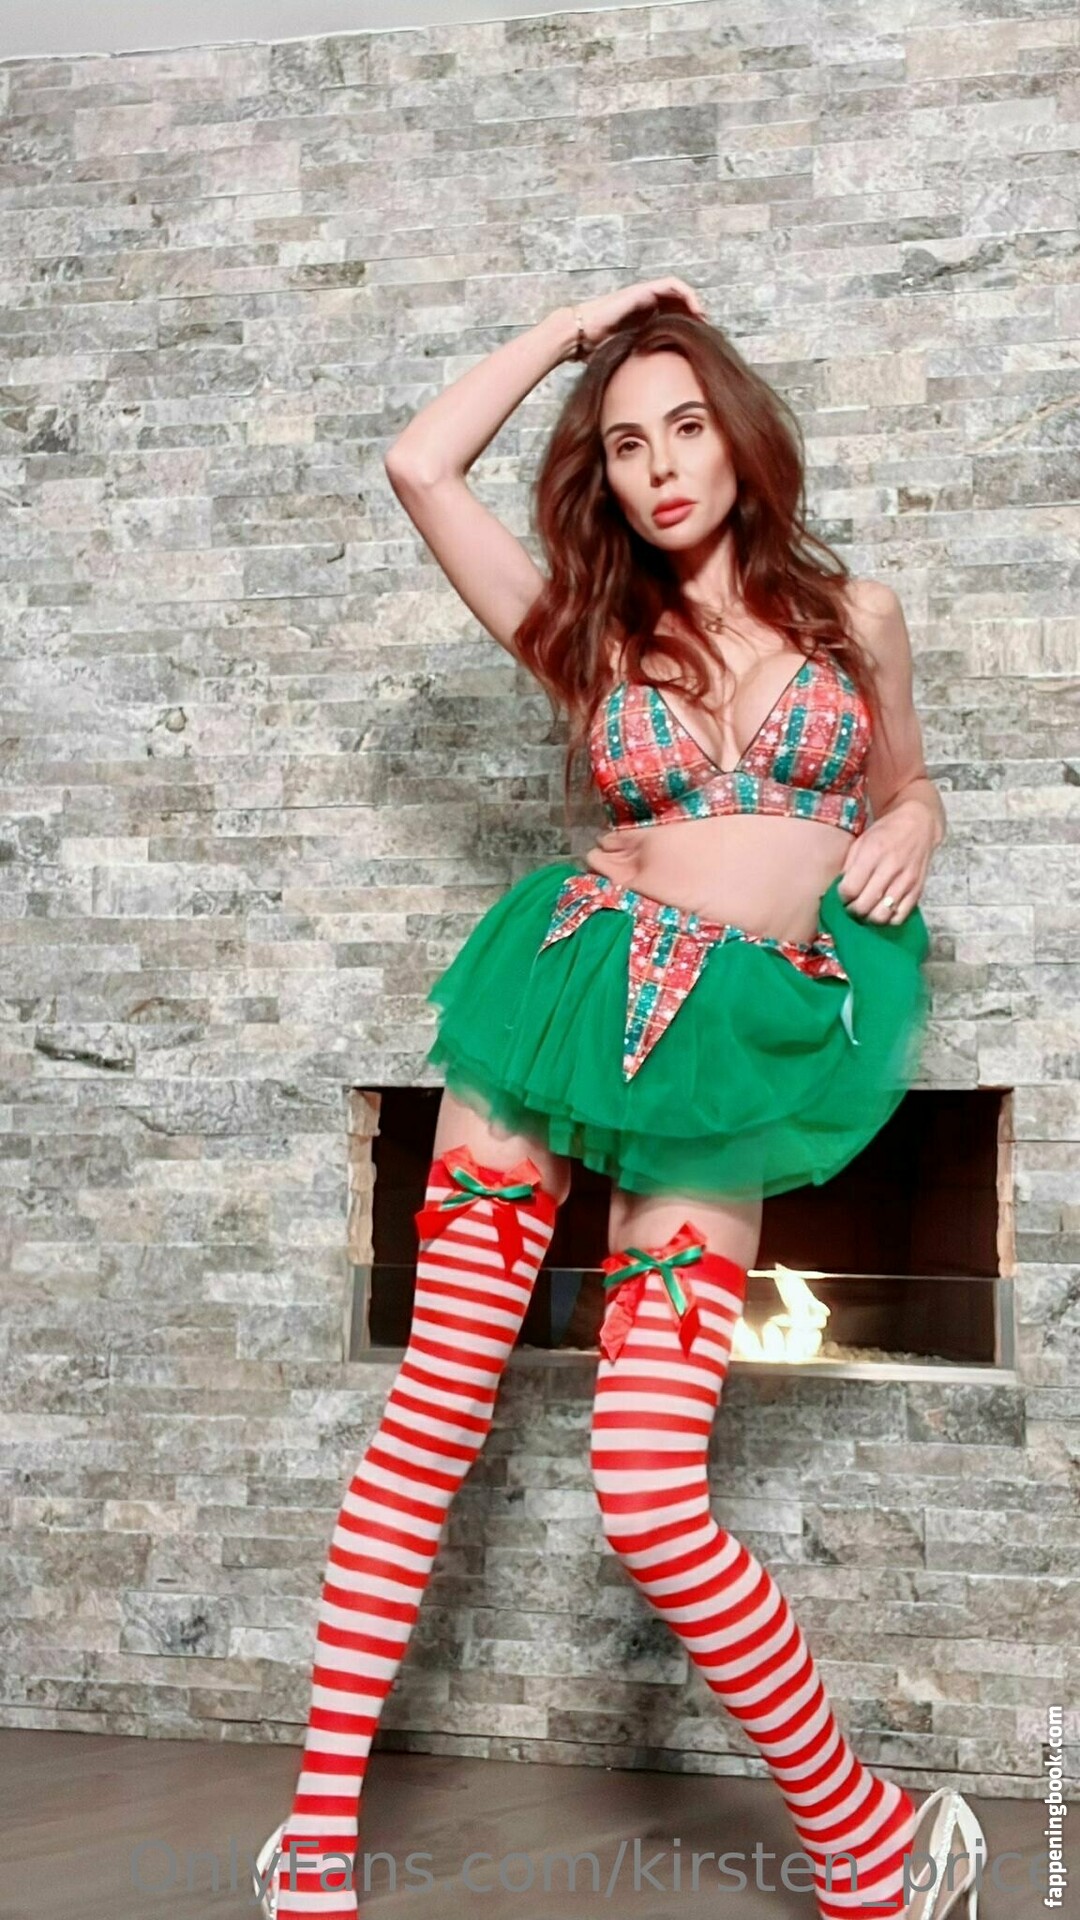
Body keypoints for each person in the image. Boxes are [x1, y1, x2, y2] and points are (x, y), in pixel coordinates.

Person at [254, 284, 986, 1920]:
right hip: (566, 996)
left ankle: (865, 1840)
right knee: (436, 1409)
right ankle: (313, 1853)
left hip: (730, 1051)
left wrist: (919, 817)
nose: (659, 468)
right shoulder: (583, 630)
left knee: (652, 1493)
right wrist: (576, 330)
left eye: (686, 427)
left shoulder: (857, 617)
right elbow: (420, 465)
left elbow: (905, 781)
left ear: (741, 435)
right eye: (627, 443)